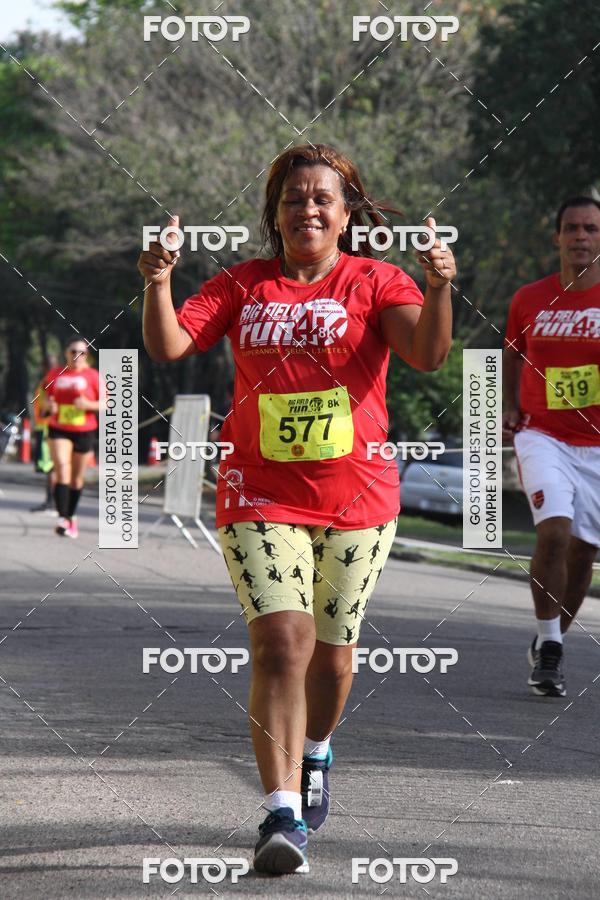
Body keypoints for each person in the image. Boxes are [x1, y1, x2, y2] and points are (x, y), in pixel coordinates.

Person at [139, 143, 455, 875]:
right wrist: (157, 283)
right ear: (274, 214)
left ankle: (316, 750)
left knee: (334, 658)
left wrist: (440, 289)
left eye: (321, 199)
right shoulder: (242, 285)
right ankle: (282, 816)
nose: (306, 209)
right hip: (259, 491)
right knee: (283, 642)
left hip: (359, 497)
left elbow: (427, 354)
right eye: (292, 199)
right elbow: (170, 344)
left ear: (346, 215)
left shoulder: (377, 280)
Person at [503, 196, 600, 698]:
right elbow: (509, 354)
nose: (581, 236)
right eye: (572, 228)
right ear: (557, 237)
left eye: (591, 229)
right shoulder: (529, 298)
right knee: (555, 533)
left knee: (583, 554)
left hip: (597, 445)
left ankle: (550, 640)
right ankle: (552, 649)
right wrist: (504, 408)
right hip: (543, 435)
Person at [44, 337, 101, 538]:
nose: (77, 356)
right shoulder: (55, 373)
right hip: (59, 427)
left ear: (87, 355)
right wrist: (49, 406)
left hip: (84, 430)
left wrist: (88, 405)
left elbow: (107, 403)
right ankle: (62, 517)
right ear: (66, 353)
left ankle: (70, 516)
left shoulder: (93, 376)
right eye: (73, 351)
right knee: (62, 467)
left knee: (76, 479)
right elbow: (45, 399)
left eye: (81, 352)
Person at [30, 357, 58, 514]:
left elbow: (46, 408)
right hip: (46, 426)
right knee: (51, 467)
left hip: (47, 428)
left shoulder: (49, 382)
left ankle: (51, 501)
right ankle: (51, 501)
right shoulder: (49, 381)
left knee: (50, 467)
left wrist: (45, 413)